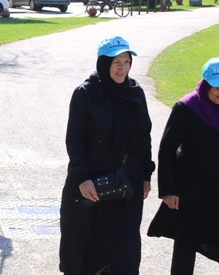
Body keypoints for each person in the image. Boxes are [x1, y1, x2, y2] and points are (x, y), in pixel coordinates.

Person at [148, 57, 219, 274]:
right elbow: (167, 149)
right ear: (206, 83)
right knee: (186, 245)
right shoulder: (187, 108)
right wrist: (168, 190)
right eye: (217, 87)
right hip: (193, 190)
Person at [59, 36, 154, 274]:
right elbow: (75, 140)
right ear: (104, 63)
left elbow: (145, 135)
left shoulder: (135, 92)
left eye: (126, 61)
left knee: (125, 245)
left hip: (127, 182)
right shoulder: (86, 94)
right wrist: (82, 177)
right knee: (88, 245)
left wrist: (146, 174)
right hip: (93, 183)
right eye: (116, 62)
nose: (123, 68)